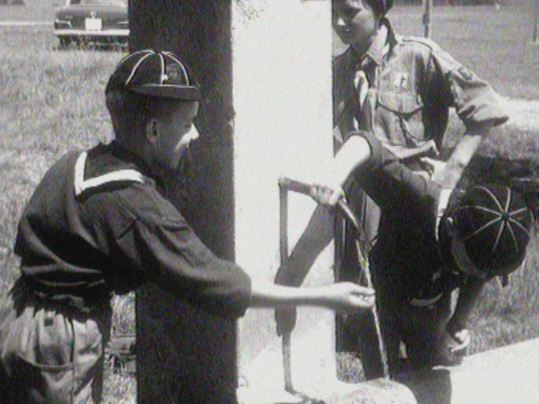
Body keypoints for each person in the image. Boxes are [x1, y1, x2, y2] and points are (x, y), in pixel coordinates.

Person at [0, 50, 375, 403]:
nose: (195, 135)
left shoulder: (77, 162)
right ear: (153, 132)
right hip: (60, 341)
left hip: (17, 313)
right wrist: (323, 297)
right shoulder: (136, 207)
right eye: (188, 124)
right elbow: (218, 283)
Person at [330, 0, 509, 377]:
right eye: (332, 10)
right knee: (373, 342)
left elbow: (486, 106)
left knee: (426, 344)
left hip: (418, 218)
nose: (339, 21)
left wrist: (452, 170)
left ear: (379, 8)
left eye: (350, 11)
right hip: (361, 215)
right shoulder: (336, 72)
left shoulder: (418, 57)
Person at [275, 129, 533, 377]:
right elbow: (365, 143)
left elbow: (479, 275)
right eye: (473, 266)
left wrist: (458, 323)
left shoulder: (480, 247)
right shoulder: (415, 199)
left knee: (431, 370)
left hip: (430, 305)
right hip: (382, 297)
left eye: (485, 272)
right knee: (381, 378)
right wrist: (333, 176)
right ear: (452, 227)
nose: (478, 276)